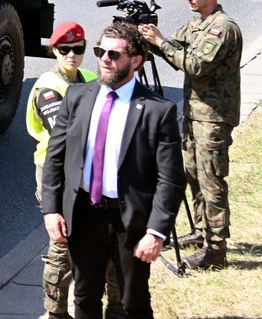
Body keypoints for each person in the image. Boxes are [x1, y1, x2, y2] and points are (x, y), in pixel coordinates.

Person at [42, 23, 184, 319]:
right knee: (84, 297)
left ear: (135, 61)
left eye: (114, 54)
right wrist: (52, 209)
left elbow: (170, 179)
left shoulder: (158, 110)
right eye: (99, 51)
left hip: (129, 220)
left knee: (132, 302)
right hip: (83, 214)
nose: (104, 59)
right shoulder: (77, 96)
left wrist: (156, 232)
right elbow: (56, 157)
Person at [138, 0, 241, 270]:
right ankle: (200, 231)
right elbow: (175, 52)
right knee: (192, 174)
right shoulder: (196, 25)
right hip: (195, 114)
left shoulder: (222, 28)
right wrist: (153, 41)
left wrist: (160, 41)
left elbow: (195, 65)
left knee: (211, 181)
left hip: (214, 117)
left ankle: (216, 250)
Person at [26, 21, 124, 319]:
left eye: (78, 49)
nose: (71, 55)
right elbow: (64, 137)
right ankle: (55, 312)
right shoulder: (48, 87)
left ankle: (115, 307)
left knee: (103, 242)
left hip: (89, 174)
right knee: (62, 244)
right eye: (64, 49)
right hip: (57, 176)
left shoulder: (91, 77)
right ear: (53, 50)